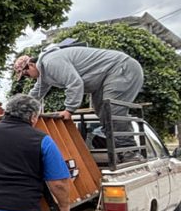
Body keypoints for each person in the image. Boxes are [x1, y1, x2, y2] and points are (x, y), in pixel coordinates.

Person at [14, 44, 144, 148]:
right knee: (102, 112)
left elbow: (75, 83)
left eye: (26, 74)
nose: (28, 78)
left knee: (112, 111)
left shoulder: (51, 62)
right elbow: (36, 93)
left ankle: (128, 150)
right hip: (104, 78)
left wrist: (69, 110)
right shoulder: (44, 74)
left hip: (121, 68)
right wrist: (16, 109)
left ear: (31, 64)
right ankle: (117, 147)